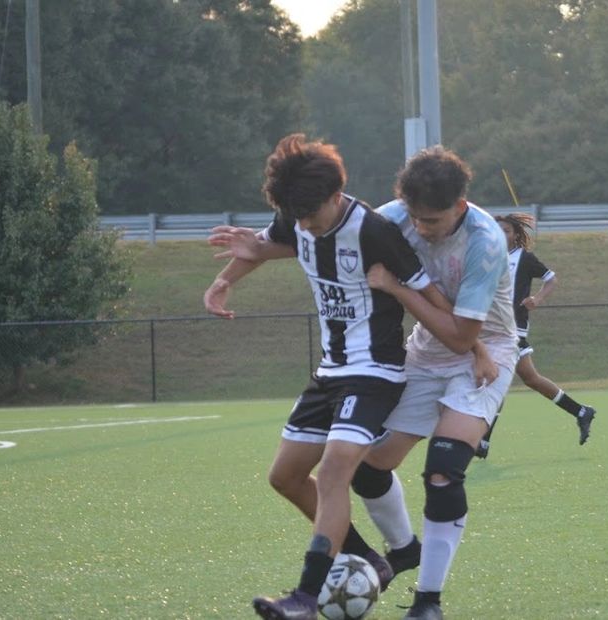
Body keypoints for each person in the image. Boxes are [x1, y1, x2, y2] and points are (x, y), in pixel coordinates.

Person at [202, 134, 437, 620]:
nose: (304, 226)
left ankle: (305, 600)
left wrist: (474, 343)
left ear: (336, 195)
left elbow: (430, 295)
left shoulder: (374, 233)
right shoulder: (297, 213)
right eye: (297, 217)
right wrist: (223, 283)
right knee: (285, 477)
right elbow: (265, 245)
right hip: (330, 371)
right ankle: (371, 558)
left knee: (333, 473)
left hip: (374, 372)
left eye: (312, 215)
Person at [349, 146, 517, 620]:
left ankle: (428, 601)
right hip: (426, 351)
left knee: (443, 469)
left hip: (488, 351)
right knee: (368, 467)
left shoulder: (485, 241)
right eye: (416, 218)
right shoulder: (393, 217)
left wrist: (397, 287)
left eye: (434, 221)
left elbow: (466, 335)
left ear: (459, 207)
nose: (422, 228)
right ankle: (403, 549)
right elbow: (330, 231)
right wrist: (258, 245)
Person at [474, 212, 596, 459]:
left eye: (506, 230)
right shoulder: (488, 258)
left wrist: (537, 298)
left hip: (511, 330)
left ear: (516, 235)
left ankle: (483, 442)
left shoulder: (524, 259)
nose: (500, 234)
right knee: (530, 378)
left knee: (496, 381)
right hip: (491, 329)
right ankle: (581, 411)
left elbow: (551, 278)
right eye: (496, 230)